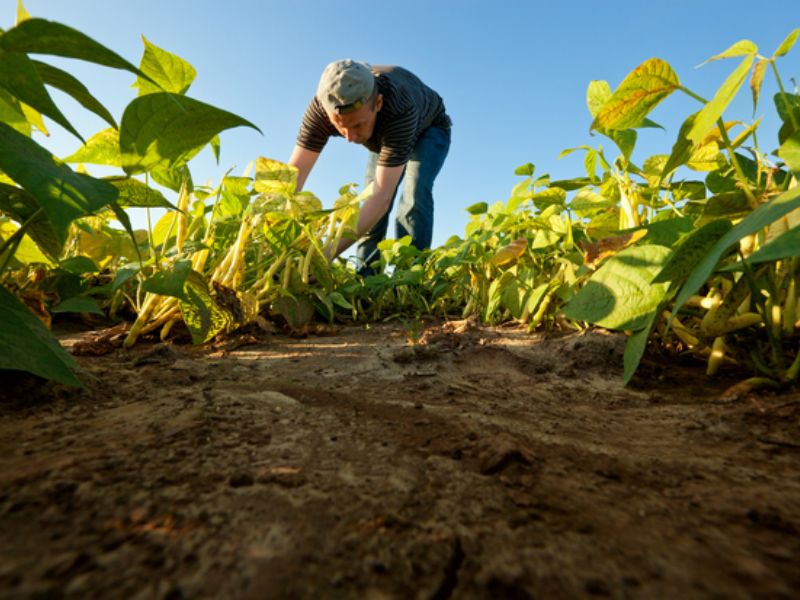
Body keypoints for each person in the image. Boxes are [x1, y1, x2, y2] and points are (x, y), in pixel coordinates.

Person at [288, 59, 452, 274]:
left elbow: (382, 197)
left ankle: (409, 277)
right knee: (368, 202)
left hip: (429, 128)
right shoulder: (320, 110)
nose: (350, 137)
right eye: (340, 126)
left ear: (378, 103)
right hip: (382, 136)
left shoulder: (400, 107)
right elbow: (293, 176)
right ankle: (366, 279)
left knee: (414, 191)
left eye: (357, 125)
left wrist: (324, 254)